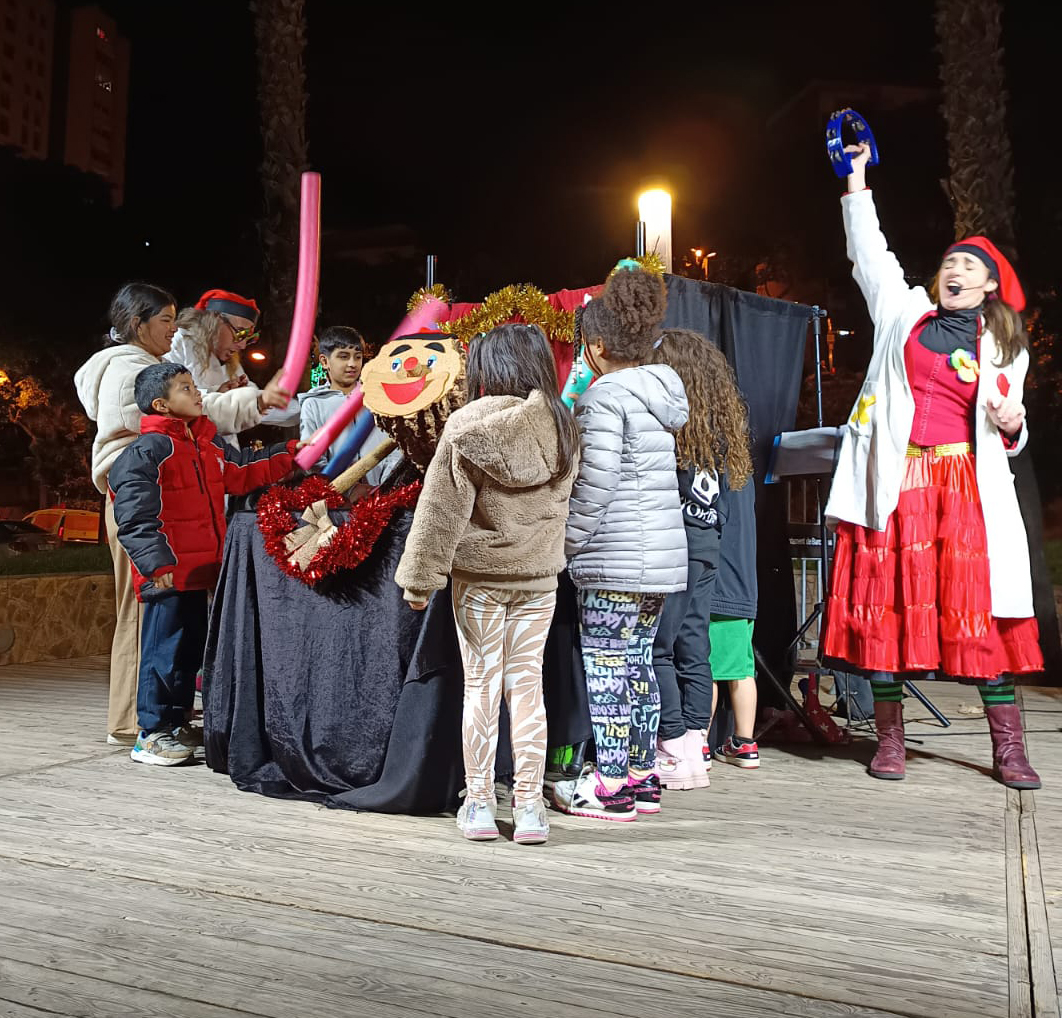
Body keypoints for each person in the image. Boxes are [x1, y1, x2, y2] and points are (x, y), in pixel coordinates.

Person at [821, 142, 1043, 788]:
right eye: (950, 260)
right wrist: (857, 180)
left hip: (964, 492)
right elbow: (869, 252)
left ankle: (1009, 749)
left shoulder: (1002, 344)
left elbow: (1012, 423)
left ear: (989, 285)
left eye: (967, 265)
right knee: (890, 608)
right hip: (899, 483)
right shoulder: (904, 314)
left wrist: (1012, 424)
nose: (954, 270)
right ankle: (890, 740)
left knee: (981, 614)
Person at [74, 283, 292, 745]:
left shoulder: (155, 372)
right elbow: (190, 411)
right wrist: (248, 402)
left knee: (175, 625)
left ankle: (163, 718)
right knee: (146, 614)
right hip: (145, 503)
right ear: (138, 324)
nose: (174, 329)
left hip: (174, 504)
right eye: (166, 320)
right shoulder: (128, 371)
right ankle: (139, 724)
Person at [395, 324, 579, 845]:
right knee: (528, 687)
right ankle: (529, 808)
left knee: (481, 686)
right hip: (539, 578)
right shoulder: (563, 425)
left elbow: (440, 513)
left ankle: (478, 802)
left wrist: (419, 579)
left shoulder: (465, 424)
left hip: (479, 579)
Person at [551, 262, 689, 821]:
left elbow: (596, 483)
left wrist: (565, 544)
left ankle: (608, 785)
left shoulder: (605, 396)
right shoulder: (663, 390)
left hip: (612, 560)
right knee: (639, 664)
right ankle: (640, 773)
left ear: (599, 345)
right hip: (658, 558)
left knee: (607, 669)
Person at [108, 362, 298, 766]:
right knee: (164, 652)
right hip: (169, 574)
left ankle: (177, 723)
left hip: (201, 572)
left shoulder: (206, 446)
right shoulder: (146, 453)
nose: (197, 393)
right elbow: (135, 515)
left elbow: (243, 471)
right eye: (185, 388)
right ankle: (152, 733)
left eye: (195, 386)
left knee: (190, 648)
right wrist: (157, 565)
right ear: (162, 403)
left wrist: (288, 456)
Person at [647, 330, 753, 788]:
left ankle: (671, 745)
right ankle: (695, 747)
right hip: (707, 545)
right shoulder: (717, 431)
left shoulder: (671, 429)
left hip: (674, 548)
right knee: (695, 648)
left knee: (659, 648)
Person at [166, 289, 298, 446]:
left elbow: (258, 405)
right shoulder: (178, 342)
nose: (242, 345)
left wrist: (311, 408)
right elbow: (170, 399)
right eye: (240, 334)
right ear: (214, 321)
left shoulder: (232, 366)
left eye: (250, 339)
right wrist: (218, 394)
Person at [299, 325, 400, 482]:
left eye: (358, 357)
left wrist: (385, 485)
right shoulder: (314, 404)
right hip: (338, 500)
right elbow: (314, 460)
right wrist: (347, 489)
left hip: (383, 493)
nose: (352, 364)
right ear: (325, 361)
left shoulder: (378, 397)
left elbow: (394, 445)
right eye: (344, 356)